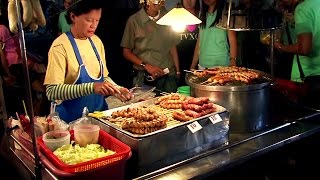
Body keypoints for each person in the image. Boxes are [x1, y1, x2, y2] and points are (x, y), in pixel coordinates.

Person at [44, 0, 132, 123]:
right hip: (70, 123)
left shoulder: (96, 42)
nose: (94, 25)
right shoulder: (60, 46)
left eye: (97, 20)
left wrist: (117, 89)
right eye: (89, 20)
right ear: (73, 16)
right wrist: (91, 87)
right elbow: (52, 92)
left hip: (98, 117)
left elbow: (103, 78)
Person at [121, 0, 181, 93]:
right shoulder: (134, 20)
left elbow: (172, 46)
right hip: (144, 77)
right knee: (144, 106)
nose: (158, 3)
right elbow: (126, 52)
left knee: (172, 104)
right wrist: (146, 65)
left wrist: (177, 71)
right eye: (155, 1)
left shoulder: (168, 17)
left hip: (169, 76)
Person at [274, 0, 320, 109]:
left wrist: (280, 46)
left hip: (307, 77)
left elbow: (304, 48)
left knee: (306, 122)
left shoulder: (303, 8)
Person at [190, 0, 237, 70]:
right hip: (203, 64)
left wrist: (233, 60)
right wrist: (192, 66)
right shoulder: (202, 15)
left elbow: (232, 40)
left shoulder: (225, 14)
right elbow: (199, 42)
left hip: (222, 64)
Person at [177, 0, 201, 86]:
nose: (189, 1)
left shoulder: (201, 18)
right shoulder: (175, 18)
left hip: (198, 61)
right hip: (180, 61)